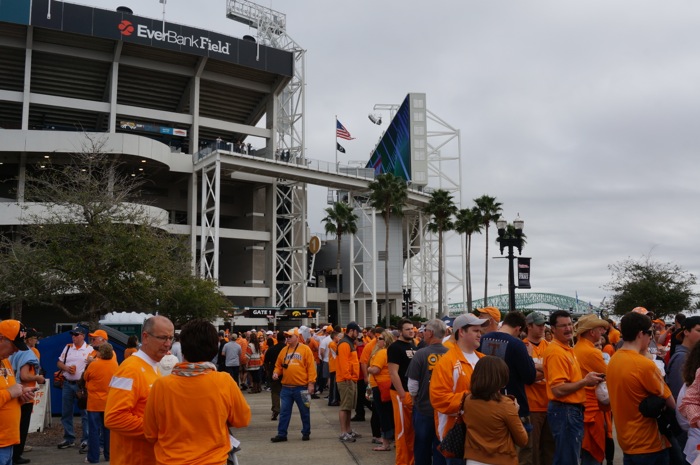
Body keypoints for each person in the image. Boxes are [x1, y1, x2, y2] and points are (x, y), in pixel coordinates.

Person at [144, 319, 251, 465]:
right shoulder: (224, 381)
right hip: (213, 460)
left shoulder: (161, 386)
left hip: (170, 460)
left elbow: (150, 433)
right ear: (215, 348)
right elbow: (242, 419)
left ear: (182, 348)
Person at [104, 315, 174, 465]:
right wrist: (160, 429)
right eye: (163, 338)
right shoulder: (130, 369)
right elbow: (114, 418)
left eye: (171, 338)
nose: (168, 344)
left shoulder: (153, 367)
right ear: (145, 337)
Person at [608, 310, 674, 465]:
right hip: (649, 443)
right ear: (640, 334)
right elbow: (671, 402)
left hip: (628, 442)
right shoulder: (644, 365)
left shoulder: (614, 360)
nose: (651, 337)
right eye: (650, 333)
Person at [543, 310, 604, 465]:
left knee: (569, 456)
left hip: (569, 412)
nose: (568, 328)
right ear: (553, 329)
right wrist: (585, 382)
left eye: (570, 324)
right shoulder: (557, 352)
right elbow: (557, 389)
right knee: (567, 459)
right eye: (563, 326)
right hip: (565, 411)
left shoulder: (567, 349)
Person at [430, 313, 488, 465]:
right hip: (457, 437)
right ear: (461, 332)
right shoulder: (447, 362)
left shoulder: (483, 359)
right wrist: (473, 399)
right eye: (475, 330)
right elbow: (439, 399)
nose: (479, 334)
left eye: (480, 331)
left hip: (481, 435)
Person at [463, 355, 529, 465]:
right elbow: (522, 440)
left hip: (473, 458)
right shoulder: (505, 405)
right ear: (501, 379)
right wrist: (515, 412)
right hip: (501, 459)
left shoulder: (468, 400)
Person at [479, 311, 537, 431]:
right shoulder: (517, 344)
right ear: (518, 328)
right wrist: (529, 356)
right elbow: (530, 377)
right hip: (511, 404)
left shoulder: (482, 339)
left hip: (483, 403)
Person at [406, 318, 449, 465]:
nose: (423, 333)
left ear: (430, 333)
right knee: (441, 447)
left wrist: (414, 399)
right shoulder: (451, 354)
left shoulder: (421, 354)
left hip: (424, 408)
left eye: (425, 331)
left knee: (422, 446)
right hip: (445, 410)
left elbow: (412, 385)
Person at [573, 314, 611, 465]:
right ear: (591, 332)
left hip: (582, 405)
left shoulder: (576, 348)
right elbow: (609, 375)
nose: (602, 331)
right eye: (599, 328)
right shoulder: (592, 352)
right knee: (593, 453)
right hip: (593, 408)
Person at [270, 327, 316, 442]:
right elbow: (278, 366)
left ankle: (306, 432)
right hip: (286, 388)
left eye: (290, 336)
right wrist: (276, 373)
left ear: (297, 337)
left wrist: (311, 383)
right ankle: (282, 434)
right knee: (284, 412)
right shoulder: (284, 350)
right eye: (286, 336)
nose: (288, 338)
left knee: (305, 412)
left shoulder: (305, 349)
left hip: (302, 387)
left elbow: (311, 368)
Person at [520, 311, 554, 465]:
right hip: (532, 405)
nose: (542, 328)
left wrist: (537, 368)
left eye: (543, 325)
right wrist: (548, 369)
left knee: (549, 450)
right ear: (529, 326)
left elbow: (556, 372)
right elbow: (528, 377)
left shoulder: (550, 346)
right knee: (532, 452)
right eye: (538, 325)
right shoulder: (522, 346)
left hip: (550, 404)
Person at [0, 320, 35, 465]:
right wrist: (10, 393)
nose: (15, 351)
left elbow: (9, 390)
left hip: (8, 442)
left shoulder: (5, 361)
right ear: (1, 338)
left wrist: (20, 393)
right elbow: (8, 392)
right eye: (14, 345)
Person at [9, 328, 44, 464]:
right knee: (22, 427)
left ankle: (13, 453)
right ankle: (17, 455)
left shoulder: (13, 353)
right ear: (28, 339)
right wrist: (38, 378)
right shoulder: (28, 353)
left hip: (14, 391)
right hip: (25, 393)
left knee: (15, 425)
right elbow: (24, 376)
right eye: (35, 338)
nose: (37, 341)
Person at [56, 326, 92, 451]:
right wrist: (66, 368)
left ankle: (86, 439)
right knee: (66, 412)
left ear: (83, 336)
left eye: (76, 335)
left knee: (85, 413)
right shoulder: (68, 347)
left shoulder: (89, 350)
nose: (74, 337)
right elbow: (59, 362)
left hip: (81, 385)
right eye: (73, 334)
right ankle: (69, 438)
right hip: (67, 383)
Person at [388, 318, 418, 465]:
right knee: (402, 432)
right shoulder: (395, 347)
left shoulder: (414, 346)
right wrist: (402, 394)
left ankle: (411, 461)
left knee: (412, 432)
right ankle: (402, 462)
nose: (411, 331)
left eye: (412, 328)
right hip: (401, 394)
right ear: (400, 331)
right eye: (407, 329)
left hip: (412, 394)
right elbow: (393, 373)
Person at [83, 343, 118, 464]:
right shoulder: (115, 365)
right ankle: (109, 455)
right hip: (109, 402)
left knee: (93, 430)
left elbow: (86, 377)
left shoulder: (94, 365)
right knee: (107, 430)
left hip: (94, 402)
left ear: (101, 353)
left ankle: (93, 457)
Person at [368, 330, 395, 452]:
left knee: (383, 415)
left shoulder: (382, 353)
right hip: (389, 385)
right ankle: (393, 440)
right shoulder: (391, 352)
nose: (377, 340)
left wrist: (369, 368)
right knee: (389, 414)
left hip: (380, 386)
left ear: (385, 341)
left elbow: (375, 370)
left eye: (380, 338)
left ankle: (385, 443)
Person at [337, 322, 361, 442]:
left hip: (350, 379)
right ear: (351, 331)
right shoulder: (344, 344)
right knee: (345, 406)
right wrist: (348, 377)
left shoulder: (349, 343)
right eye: (357, 331)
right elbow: (343, 362)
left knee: (348, 407)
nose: (358, 334)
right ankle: (343, 432)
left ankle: (348, 430)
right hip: (346, 379)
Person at [264, 331, 286, 420]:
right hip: (286, 372)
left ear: (277, 339)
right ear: (285, 339)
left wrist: (268, 371)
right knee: (286, 393)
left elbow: (265, 361)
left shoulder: (271, 349)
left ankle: (276, 409)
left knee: (275, 392)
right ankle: (285, 409)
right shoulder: (287, 349)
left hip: (274, 372)